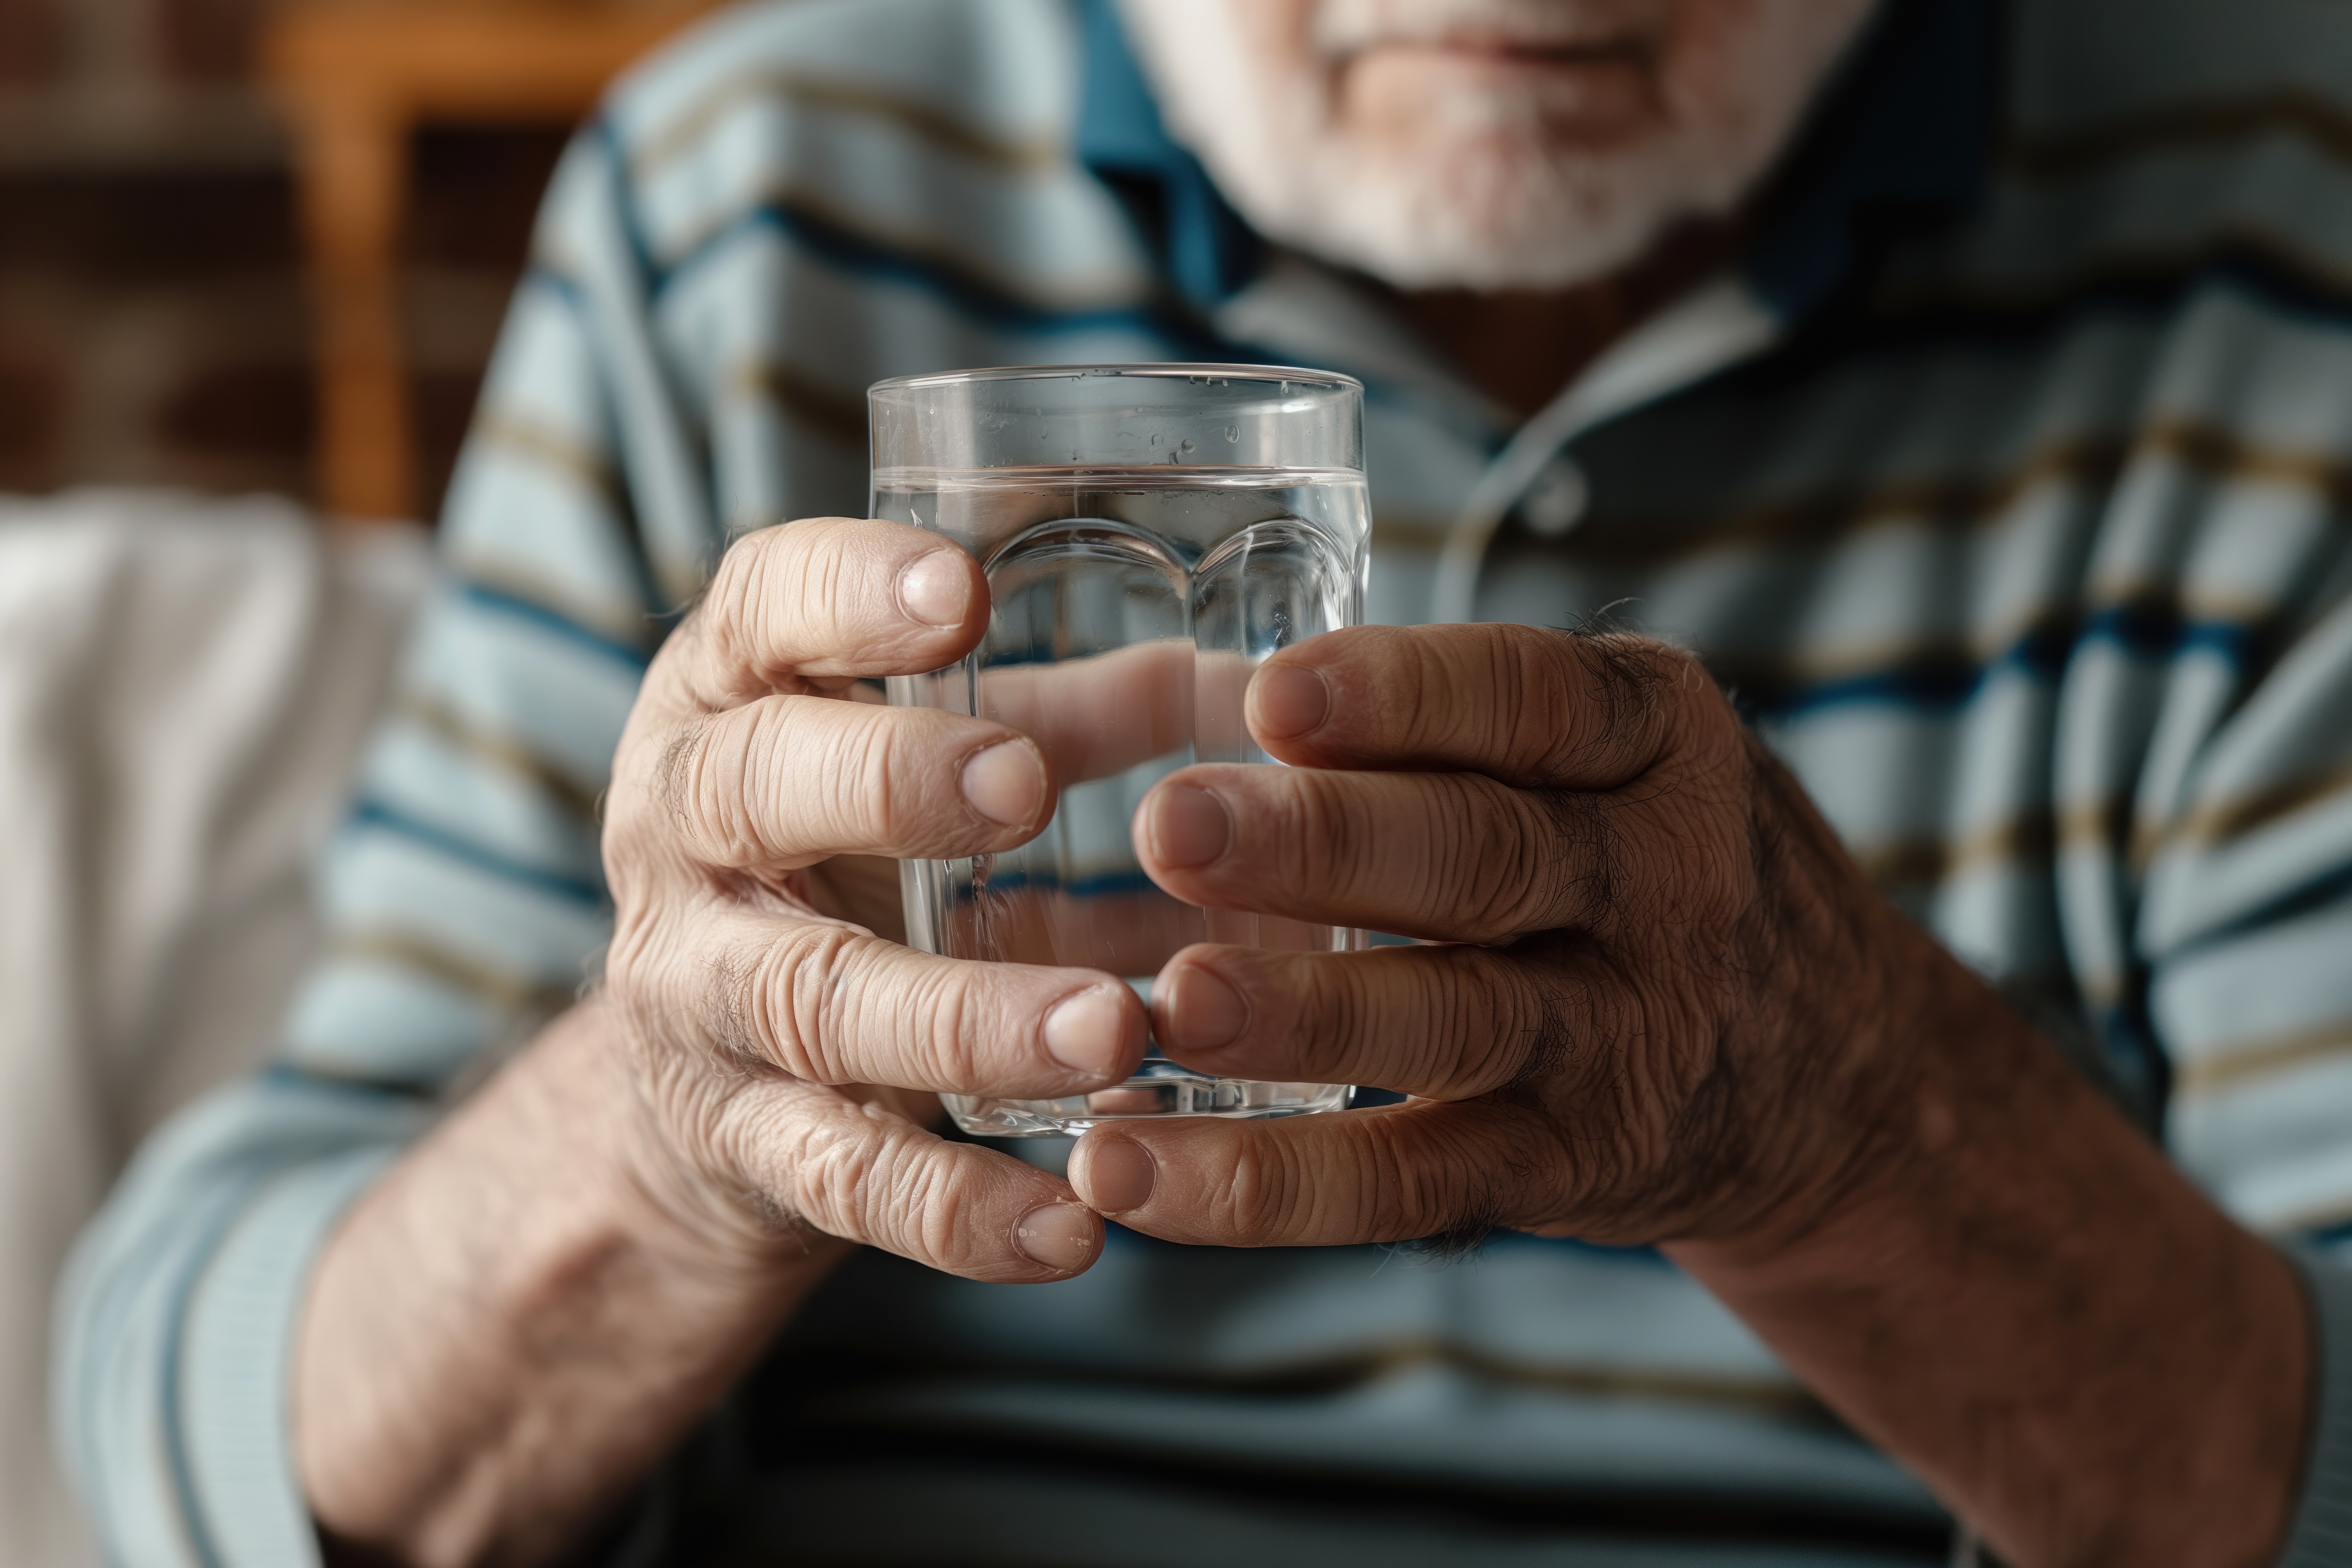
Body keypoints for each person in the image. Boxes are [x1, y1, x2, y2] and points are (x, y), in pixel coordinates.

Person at [55, 0, 2352, 1562]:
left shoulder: (2298, 206)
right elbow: (188, 1401)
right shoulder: (743, 204)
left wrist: (1855, 1127)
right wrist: (659, 1144)